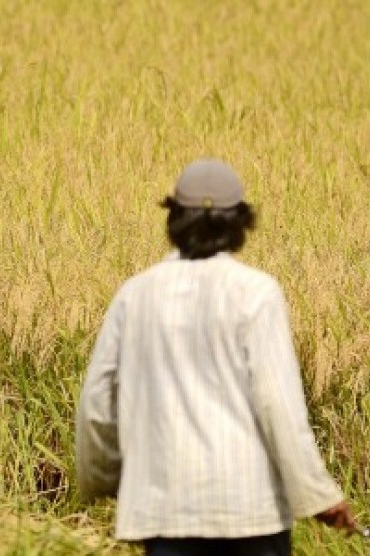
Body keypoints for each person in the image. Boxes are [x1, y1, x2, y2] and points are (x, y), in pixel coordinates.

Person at [75, 159, 356, 555]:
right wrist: (319, 496)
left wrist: (102, 478)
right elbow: (278, 405)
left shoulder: (134, 295)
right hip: (249, 514)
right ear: (240, 222)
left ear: (173, 218)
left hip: (164, 514)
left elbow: (96, 404)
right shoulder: (256, 294)